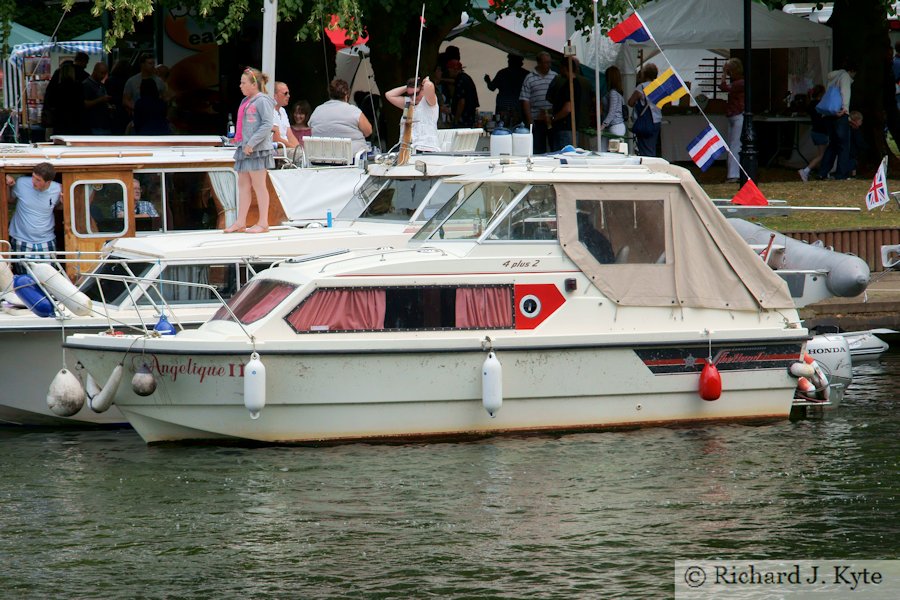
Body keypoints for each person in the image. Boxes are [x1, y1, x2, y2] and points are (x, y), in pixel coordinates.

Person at [225, 67, 276, 234]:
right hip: (245, 147)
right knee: (243, 184)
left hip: (256, 149)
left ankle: (263, 222)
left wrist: (252, 143)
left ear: (254, 84)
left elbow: (267, 124)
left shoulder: (262, 100)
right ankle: (240, 221)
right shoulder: (246, 101)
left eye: (243, 82)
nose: (240, 85)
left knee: (259, 185)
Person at [5, 163, 62, 272]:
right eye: (33, 177)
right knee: (24, 279)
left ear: (48, 182)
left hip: (47, 240)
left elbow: (60, 208)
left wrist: (64, 203)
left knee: (49, 278)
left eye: (38, 180)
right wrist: (6, 180)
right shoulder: (21, 183)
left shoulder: (58, 189)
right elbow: (9, 200)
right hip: (21, 240)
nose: (33, 181)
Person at [308, 79, 373, 158]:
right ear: (346, 94)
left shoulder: (317, 110)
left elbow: (311, 128)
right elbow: (368, 131)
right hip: (352, 158)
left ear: (330, 94)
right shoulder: (354, 111)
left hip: (322, 158)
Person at [818, 58, 857, 181]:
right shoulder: (845, 76)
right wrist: (845, 108)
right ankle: (841, 173)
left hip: (829, 114)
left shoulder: (833, 77)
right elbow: (845, 92)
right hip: (840, 114)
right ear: (852, 70)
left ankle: (822, 172)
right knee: (844, 146)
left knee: (833, 145)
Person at [385, 76, 440, 153]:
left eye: (416, 94)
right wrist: (407, 87)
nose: (413, 97)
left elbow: (430, 86)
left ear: (422, 89)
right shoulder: (408, 102)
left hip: (426, 148)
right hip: (407, 148)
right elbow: (389, 95)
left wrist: (426, 82)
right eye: (410, 94)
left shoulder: (429, 101)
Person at [520, 51, 557, 154]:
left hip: (552, 119)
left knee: (554, 146)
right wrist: (530, 120)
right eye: (546, 62)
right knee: (538, 148)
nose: (548, 65)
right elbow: (525, 99)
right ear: (539, 63)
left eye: (550, 62)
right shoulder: (529, 78)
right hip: (537, 119)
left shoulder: (555, 76)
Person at [627, 63, 662, 157]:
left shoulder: (641, 87)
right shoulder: (659, 87)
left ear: (644, 74)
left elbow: (630, 102)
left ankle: (648, 166)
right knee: (652, 146)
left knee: (644, 148)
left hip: (646, 120)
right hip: (657, 120)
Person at [719, 58, 745, 183]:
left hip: (738, 114)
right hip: (733, 115)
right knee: (732, 144)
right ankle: (733, 171)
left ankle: (733, 174)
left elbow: (723, 87)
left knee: (735, 145)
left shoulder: (740, 83)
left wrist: (723, 73)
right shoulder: (738, 82)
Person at [484, 54, 528, 126]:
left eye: (509, 60)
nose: (508, 61)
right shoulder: (526, 74)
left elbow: (492, 87)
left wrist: (488, 80)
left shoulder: (502, 73)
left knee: (503, 130)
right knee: (519, 131)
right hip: (519, 108)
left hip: (503, 107)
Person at [546, 60, 582, 151]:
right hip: (568, 128)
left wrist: (553, 118)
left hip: (565, 128)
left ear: (565, 68)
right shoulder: (573, 84)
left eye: (560, 67)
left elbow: (567, 108)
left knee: (563, 156)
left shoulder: (570, 85)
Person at [46, 62, 85, 135]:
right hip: (75, 120)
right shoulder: (78, 87)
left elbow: (50, 103)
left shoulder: (56, 88)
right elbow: (81, 104)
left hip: (59, 120)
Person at [799, 85, 828, 182]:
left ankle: (822, 172)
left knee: (821, 154)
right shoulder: (822, 104)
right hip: (821, 132)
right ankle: (806, 170)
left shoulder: (811, 104)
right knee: (821, 155)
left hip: (815, 131)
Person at [446, 59, 479, 128]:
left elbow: (461, 102)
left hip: (464, 118)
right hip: (469, 117)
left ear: (454, 70)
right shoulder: (465, 78)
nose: (448, 72)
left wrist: (456, 120)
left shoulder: (460, 80)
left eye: (449, 70)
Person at [82, 62, 113, 135]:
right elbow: (84, 104)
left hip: (104, 123)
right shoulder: (87, 85)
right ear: (95, 71)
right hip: (93, 124)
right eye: (101, 73)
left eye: (105, 73)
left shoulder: (101, 85)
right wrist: (101, 100)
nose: (103, 76)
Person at [601, 66, 627, 151]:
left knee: (612, 153)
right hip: (616, 126)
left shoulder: (613, 93)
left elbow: (612, 111)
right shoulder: (618, 93)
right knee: (613, 152)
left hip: (615, 127)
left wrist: (603, 125)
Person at [272, 81, 299, 149]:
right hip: (276, 149)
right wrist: (294, 149)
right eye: (285, 93)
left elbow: (290, 136)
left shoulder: (282, 111)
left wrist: (299, 148)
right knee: (299, 155)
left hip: (286, 148)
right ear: (274, 95)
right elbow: (276, 138)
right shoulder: (270, 110)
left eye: (288, 93)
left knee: (303, 154)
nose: (288, 96)